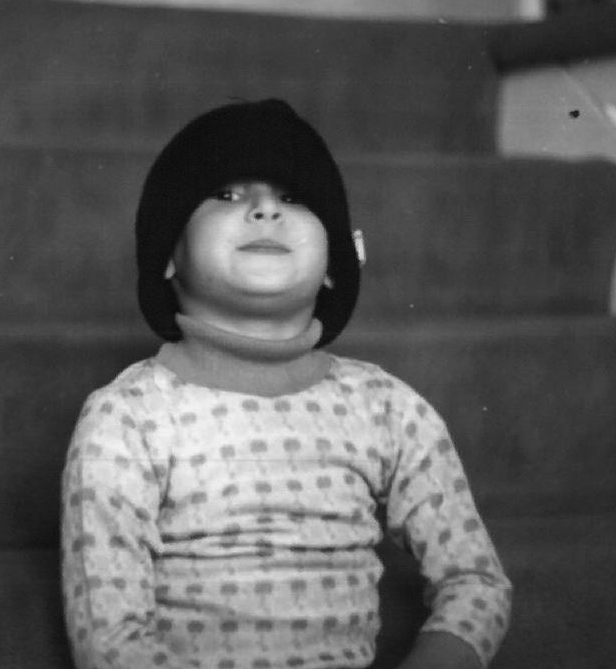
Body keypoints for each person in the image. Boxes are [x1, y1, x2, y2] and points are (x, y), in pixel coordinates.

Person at [61, 99, 512, 669]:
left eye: (294, 198)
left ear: (335, 264)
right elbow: (109, 637)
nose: (265, 209)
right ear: (169, 253)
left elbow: (476, 581)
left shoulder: (387, 409)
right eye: (227, 195)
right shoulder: (127, 417)